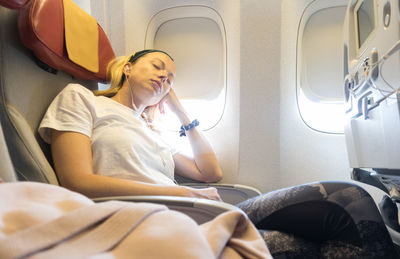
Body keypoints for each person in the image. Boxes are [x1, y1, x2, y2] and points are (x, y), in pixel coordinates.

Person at [38, 50, 398, 258]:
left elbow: (210, 171)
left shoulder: (150, 129)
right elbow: (77, 182)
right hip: (153, 217)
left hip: (190, 212)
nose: (165, 77)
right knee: (341, 203)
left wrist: (177, 109)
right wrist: (184, 193)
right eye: (158, 66)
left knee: (346, 202)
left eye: (172, 78)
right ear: (129, 66)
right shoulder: (82, 99)